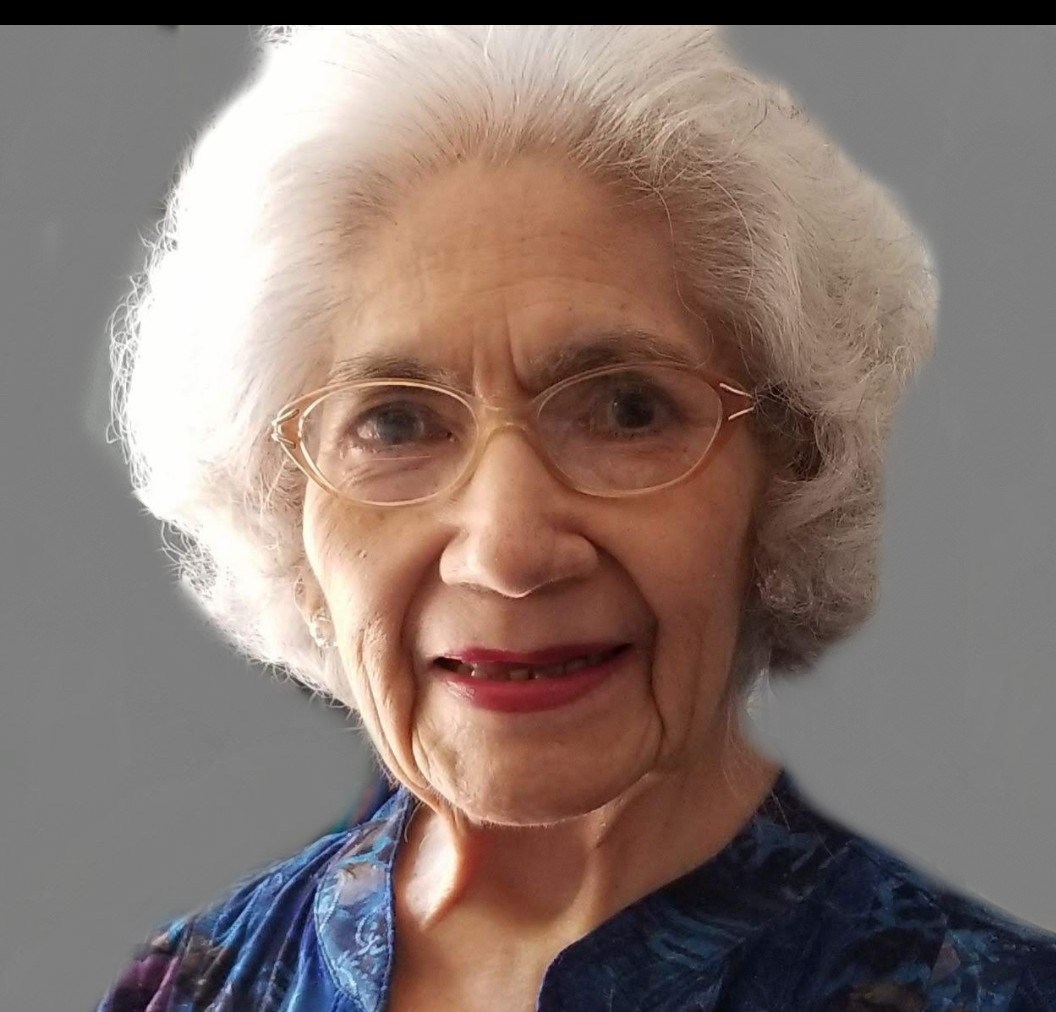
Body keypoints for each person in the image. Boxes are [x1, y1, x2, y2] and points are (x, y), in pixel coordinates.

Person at [95, 25, 1056, 1011]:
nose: (508, 549)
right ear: (282, 516)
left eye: (627, 410)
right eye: (395, 423)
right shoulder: (192, 989)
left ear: (787, 474)